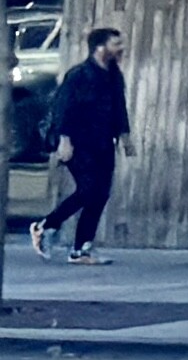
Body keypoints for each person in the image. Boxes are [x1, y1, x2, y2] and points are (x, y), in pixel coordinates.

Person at [44, 29, 127, 258]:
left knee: (100, 193)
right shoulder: (79, 75)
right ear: (100, 47)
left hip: (103, 142)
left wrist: (125, 135)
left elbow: (119, 106)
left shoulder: (113, 75)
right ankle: (47, 225)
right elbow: (63, 108)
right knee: (88, 189)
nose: (120, 48)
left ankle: (82, 248)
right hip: (79, 142)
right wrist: (64, 139)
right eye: (115, 44)